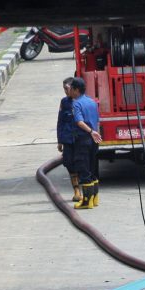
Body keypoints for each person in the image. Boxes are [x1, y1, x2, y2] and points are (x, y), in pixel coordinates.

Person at [70, 76, 103, 209]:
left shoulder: (76, 103)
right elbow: (97, 121)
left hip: (84, 138)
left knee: (84, 169)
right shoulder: (92, 102)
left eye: (71, 89)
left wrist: (90, 131)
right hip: (94, 139)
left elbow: (79, 121)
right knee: (93, 168)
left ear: (76, 90)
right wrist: (96, 133)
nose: (70, 91)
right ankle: (94, 199)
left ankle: (86, 201)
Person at [56, 77, 84, 207]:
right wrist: (60, 140)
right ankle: (76, 191)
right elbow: (60, 122)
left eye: (67, 89)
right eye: (64, 89)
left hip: (80, 139)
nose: (66, 92)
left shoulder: (83, 101)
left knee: (81, 165)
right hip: (68, 139)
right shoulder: (64, 102)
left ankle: (84, 192)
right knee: (69, 164)